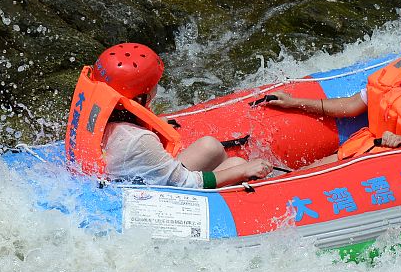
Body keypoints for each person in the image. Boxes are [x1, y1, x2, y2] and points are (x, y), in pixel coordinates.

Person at [266, 0, 401, 164]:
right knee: (304, 174)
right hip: (366, 146)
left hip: (391, 161)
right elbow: (352, 105)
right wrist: (295, 102)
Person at [65, 43, 272, 188]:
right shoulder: (139, 140)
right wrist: (243, 172)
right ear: (139, 100)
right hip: (151, 197)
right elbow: (185, 183)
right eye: (153, 87)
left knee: (209, 146)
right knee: (237, 166)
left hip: (121, 176)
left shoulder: (97, 112)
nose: (157, 90)